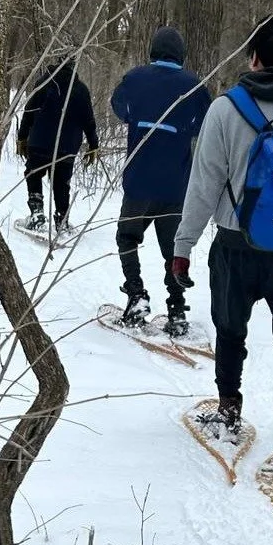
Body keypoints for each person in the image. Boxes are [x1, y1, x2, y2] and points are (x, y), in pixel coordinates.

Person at [171, 13, 273, 473]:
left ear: (254, 56)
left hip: (234, 245)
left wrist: (182, 246)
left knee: (230, 331)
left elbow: (203, 184)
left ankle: (228, 410)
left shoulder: (225, 110)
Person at [110, 26, 211, 336]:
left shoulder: (135, 79)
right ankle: (177, 310)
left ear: (152, 52)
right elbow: (203, 125)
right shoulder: (195, 87)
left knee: (127, 238)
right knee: (173, 249)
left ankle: (136, 295)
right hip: (174, 184)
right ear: (181, 56)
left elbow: (120, 108)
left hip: (139, 181)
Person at [16, 55, 100, 234]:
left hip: (39, 143)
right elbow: (89, 121)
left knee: (33, 175)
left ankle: (37, 214)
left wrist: (22, 137)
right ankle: (62, 220)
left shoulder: (43, 83)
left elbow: (28, 113)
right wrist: (94, 144)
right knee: (62, 184)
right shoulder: (80, 90)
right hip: (67, 148)